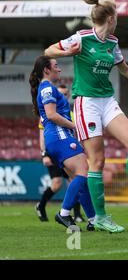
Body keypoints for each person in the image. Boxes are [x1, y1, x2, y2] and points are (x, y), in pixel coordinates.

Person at [44, 0, 128, 233]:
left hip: (107, 100)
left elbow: (124, 68)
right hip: (86, 103)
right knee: (97, 161)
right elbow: (48, 51)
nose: (117, 19)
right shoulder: (82, 38)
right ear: (110, 18)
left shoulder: (112, 42)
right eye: (116, 16)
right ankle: (99, 216)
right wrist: (68, 53)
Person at [29, 56, 96, 231]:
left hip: (57, 138)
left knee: (77, 178)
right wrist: (76, 126)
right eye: (56, 66)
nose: (59, 69)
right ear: (46, 70)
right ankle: (64, 213)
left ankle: (93, 219)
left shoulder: (46, 88)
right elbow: (51, 115)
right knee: (83, 172)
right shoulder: (47, 88)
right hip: (60, 136)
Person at [35, 84, 84, 223]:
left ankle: (77, 214)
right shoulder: (47, 112)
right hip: (53, 151)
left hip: (67, 149)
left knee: (74, 180)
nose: (63, 96)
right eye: (61, 93)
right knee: (57, 184)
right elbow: (42, 135)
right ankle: (41, 206)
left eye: (65, 94)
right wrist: (44, 154)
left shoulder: (71, 113)